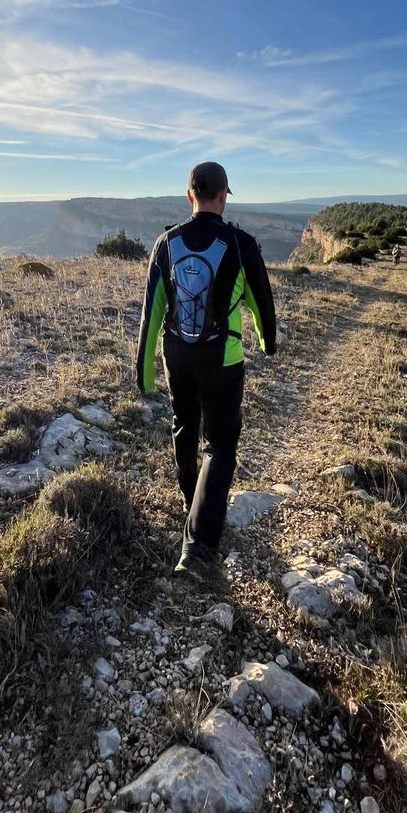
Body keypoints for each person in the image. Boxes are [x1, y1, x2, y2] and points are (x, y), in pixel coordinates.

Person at [136, 162, 276, 585]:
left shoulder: (166, 242)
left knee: (184, 424)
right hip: (222, 359)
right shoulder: (240, 243)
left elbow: (152, 311)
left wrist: (144, 375)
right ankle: (198, 550)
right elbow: (260, 303)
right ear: (223, 196)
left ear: (190, 194)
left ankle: (190, 503)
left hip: (175, 353)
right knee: (220, 446)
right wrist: (268, 343)